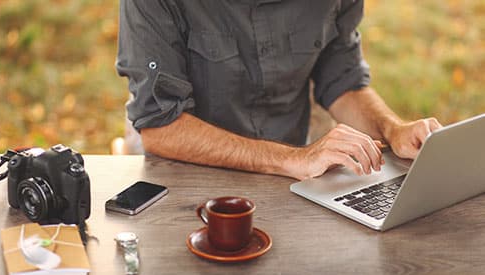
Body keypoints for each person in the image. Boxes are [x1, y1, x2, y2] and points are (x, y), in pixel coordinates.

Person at [116, 0, 442, 180]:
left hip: (293, 172)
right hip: (186, 172)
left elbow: (340, 78)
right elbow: (161, 128)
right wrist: (293, 159)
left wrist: (393, 129)